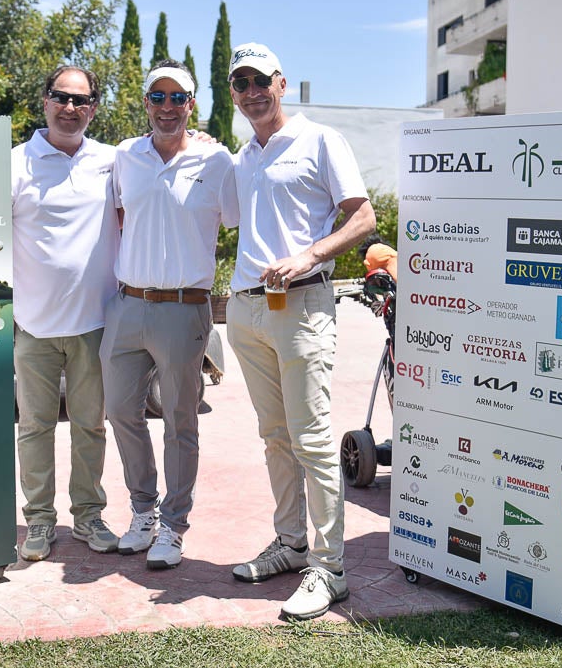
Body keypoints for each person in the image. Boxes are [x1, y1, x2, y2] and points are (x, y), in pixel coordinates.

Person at [225, 42, 376, 620]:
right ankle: (290, 545)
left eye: (261, 81)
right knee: (274, 436)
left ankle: (329, 568)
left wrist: (309, 255)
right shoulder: (243, 157)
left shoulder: (320, 139)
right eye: (241, 84)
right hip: (247, 309)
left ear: (281, 83)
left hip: (303, 304)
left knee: (311, 439)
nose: (253, 92)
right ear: (234, 94)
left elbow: (363, 218)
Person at [101, 60, 238, 569]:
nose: (167, 107)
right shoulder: (125, 156)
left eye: (177, 97)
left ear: (191, 105)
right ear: (146, 103)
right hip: (128, 304)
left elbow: (239, 219)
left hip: (184, 308)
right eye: (157, 97)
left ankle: (174, 527)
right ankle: (143, 512)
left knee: (180, 422)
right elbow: (120, 215)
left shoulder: (216, 160)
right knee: (120, 411)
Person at [10, 65, 120, 561]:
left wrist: (199, 140)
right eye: (61, 97)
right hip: (32, 325)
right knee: (34, 427)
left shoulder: (113, 161)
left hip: (95, 324)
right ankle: (38, 520)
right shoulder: (15, 164)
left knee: (90, 426)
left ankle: (88, 516)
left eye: (80, 100)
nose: (69, 108)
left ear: (93, 107)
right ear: (45, 101)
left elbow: (165, 156)